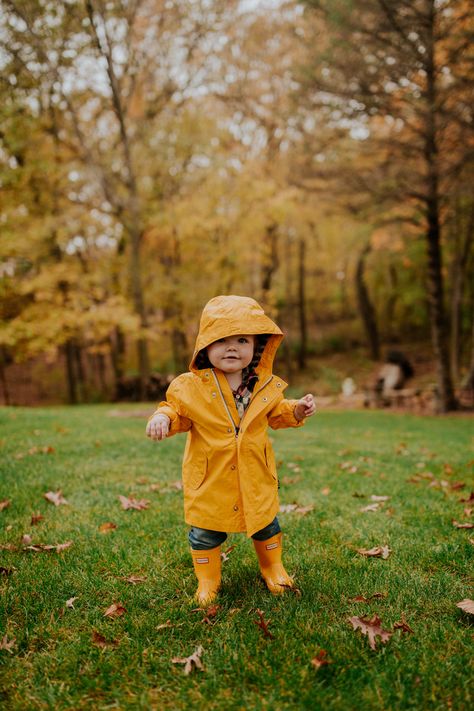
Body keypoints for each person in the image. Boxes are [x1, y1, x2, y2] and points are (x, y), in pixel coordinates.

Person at [146, 295, 316, 604]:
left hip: (255, 474)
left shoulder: (262, 385)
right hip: (211, 477)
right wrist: (162, 418)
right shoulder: (190, 387)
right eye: (222, 339)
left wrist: (297, 410)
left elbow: (276, 412)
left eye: (242, 340)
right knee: (205, 531)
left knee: (266, 523)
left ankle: (273, 567)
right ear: (205, 346)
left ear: (257, 347)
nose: (232, 347)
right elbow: (176, 412)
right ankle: (208, 581)